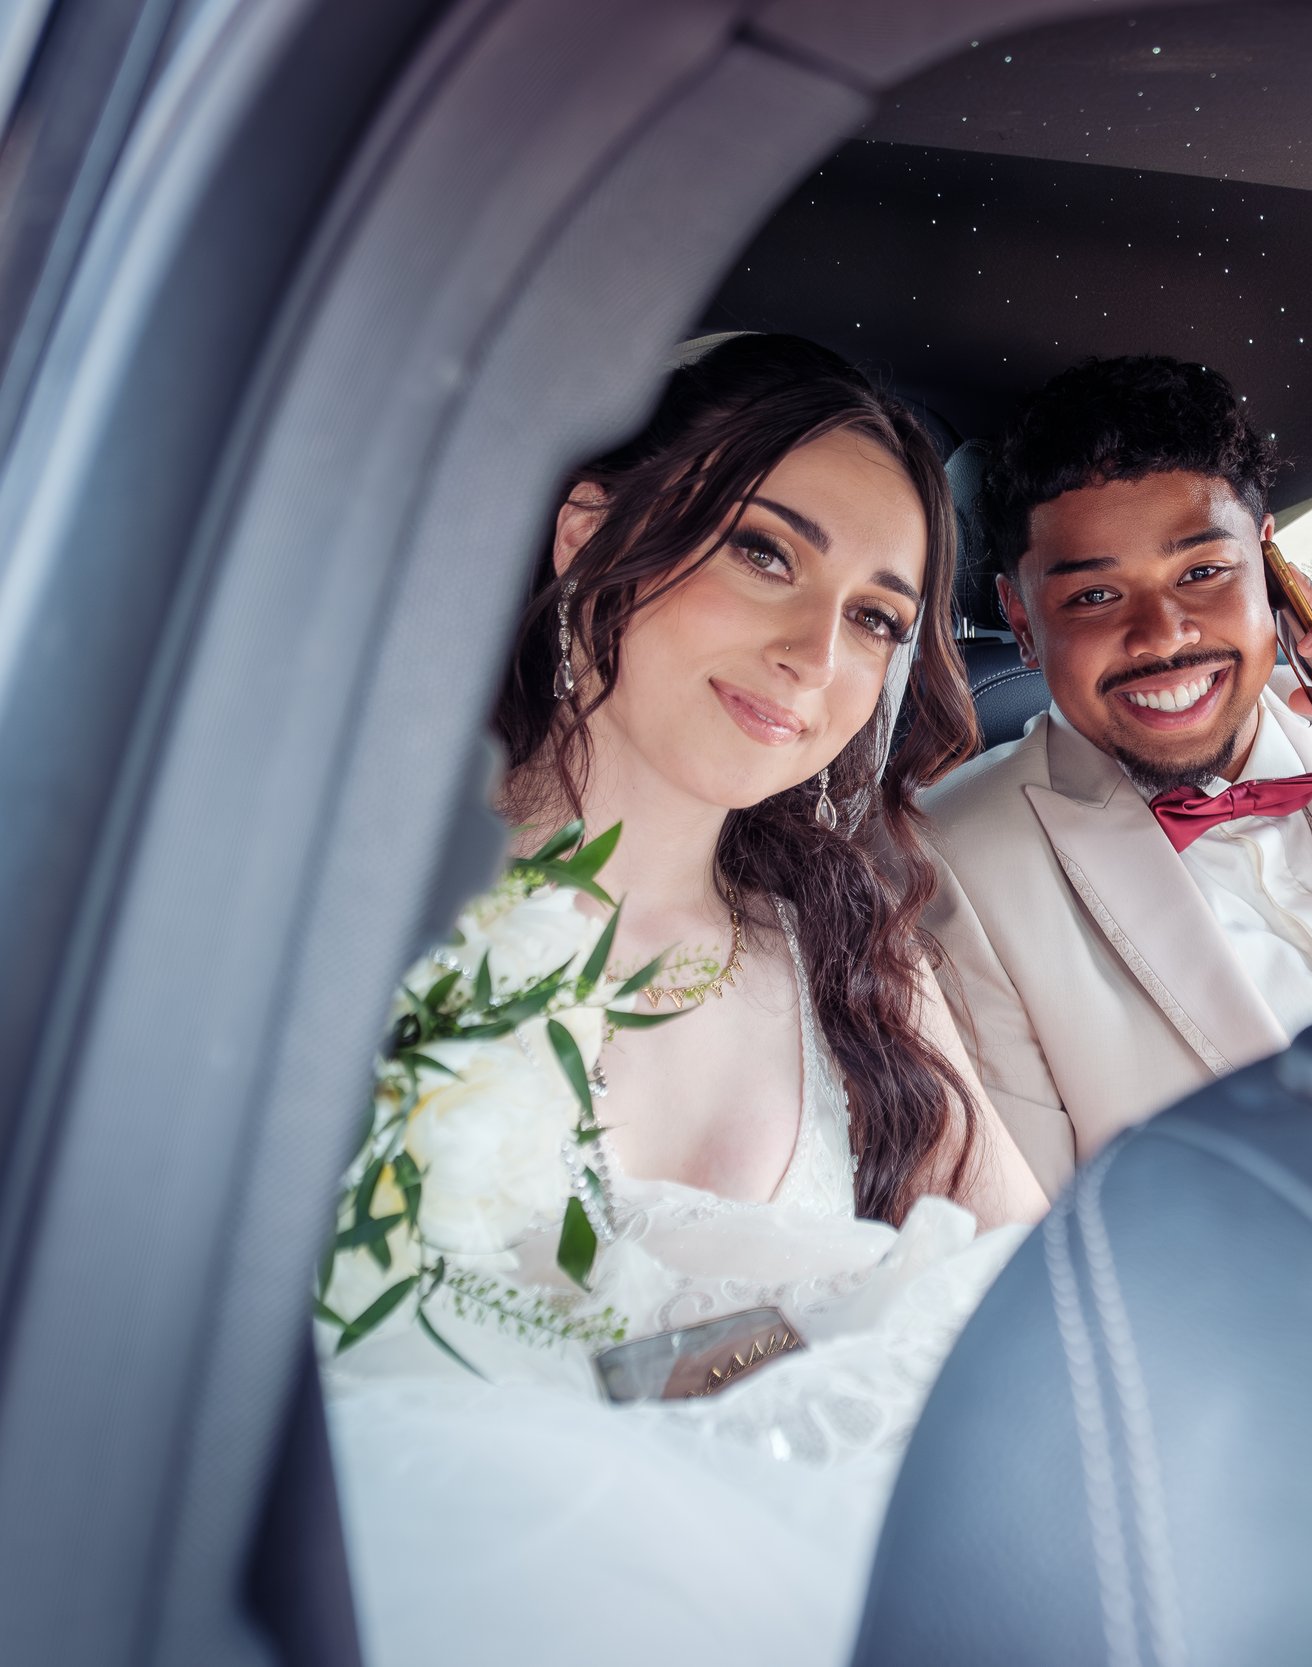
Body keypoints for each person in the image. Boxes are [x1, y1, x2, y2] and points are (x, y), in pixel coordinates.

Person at [318, 332, 1045, 1666]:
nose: (815, 651)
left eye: (878, 617)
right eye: (766, 551)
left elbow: (1035, 1322)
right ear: (592, 529)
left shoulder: (857, 959)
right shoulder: (340, 899)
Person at [921, 355, 1312, 1193]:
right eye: (1094, 598)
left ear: (1271, 562)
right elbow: (1023, 1247)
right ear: (1022, 623)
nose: (1163, 635)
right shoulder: (948, 861)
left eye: (1204, 573)